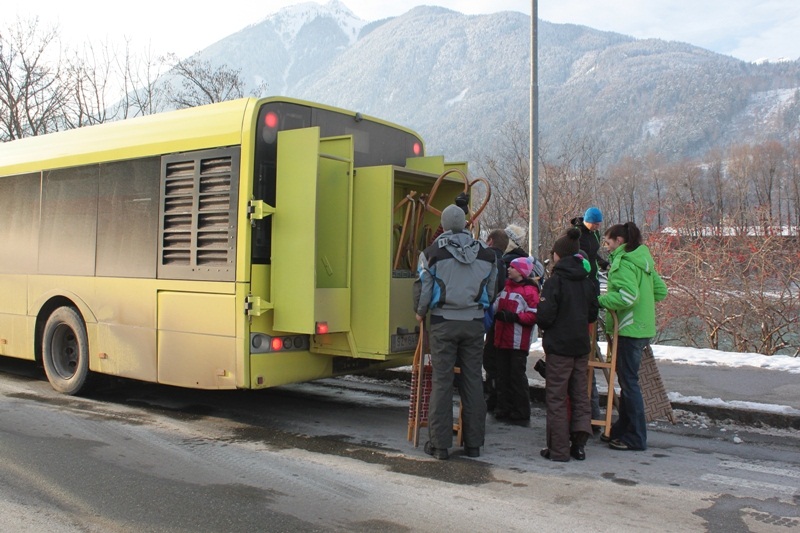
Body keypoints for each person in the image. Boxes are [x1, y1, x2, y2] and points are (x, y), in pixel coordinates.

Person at [413, 204, 498, 460]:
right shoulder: (486, 254)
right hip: (474, 323)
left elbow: (425, 289)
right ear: (464, 224)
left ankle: (439, 446)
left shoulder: (431, 253)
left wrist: (420, 312)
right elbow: (491, 291)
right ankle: (474, 444)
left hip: (443, 322)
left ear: (444, 225)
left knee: (442, 382)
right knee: (472, 380)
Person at [598, 222, 668, 451]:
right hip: (643, 328)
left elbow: (628, 297)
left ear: (619, 241)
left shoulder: (623, 263)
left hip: (628, 329)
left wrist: (600, 300)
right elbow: (661, 291)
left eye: (608, 242)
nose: (606, 247)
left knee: (629, 384)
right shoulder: (643, 260)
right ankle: (621, 430)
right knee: (629, 382)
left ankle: (636, 437)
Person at [536, 228, 599, 462]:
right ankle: (579, 446)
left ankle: (559, 449)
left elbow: (544, 317)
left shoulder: (555, 282)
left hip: (559, 348)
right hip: (580, 346)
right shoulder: (587, 281)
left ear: (558, 255)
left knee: (557, 397)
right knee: (580, 395)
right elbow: (593, 313)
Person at [571, 206, 610, 432]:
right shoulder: (579, 235)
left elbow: (593, 255)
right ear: (587, 221)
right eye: (595, 223)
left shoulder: (593, 235)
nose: (597, 227)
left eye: (599, 224)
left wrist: (601, 262)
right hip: (585, 280)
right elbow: (583, 256)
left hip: (593, 278)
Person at [492, 256, 539, 423]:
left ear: (521, 272)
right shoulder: (506, 287)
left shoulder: (529, 291)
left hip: (517, 342)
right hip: (501, 339)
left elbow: (534, 315)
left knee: (516, 376)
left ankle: (521, 410)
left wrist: (514, 317)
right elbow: (496, 305)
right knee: (502, 375)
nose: (509, 269)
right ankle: (503, 407)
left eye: (512, 267)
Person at [482, 229, 509, 412]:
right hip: (491, 312)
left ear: (490, 241)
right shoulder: (503, 262)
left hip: (482, 311)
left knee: (487, 359)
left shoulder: (486, 258)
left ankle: (490, 399)